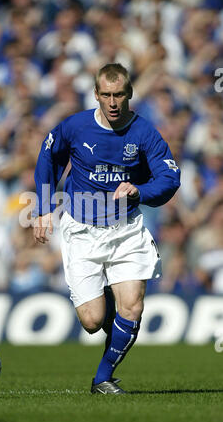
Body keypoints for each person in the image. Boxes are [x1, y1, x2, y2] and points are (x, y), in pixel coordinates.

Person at [33, 63, 181, 394]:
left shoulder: (144, 133)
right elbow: (48, 158)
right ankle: (111, 313)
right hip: (82, 230)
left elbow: (170, 178)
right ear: (96, 94)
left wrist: (140, 191)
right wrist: (43, 208)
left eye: (119, 95)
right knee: (92, 321)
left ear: (129, 94)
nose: (113, 102)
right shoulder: (76, 127)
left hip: (126, 229)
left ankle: (102, 378)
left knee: (133, 305)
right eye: (107, 95)